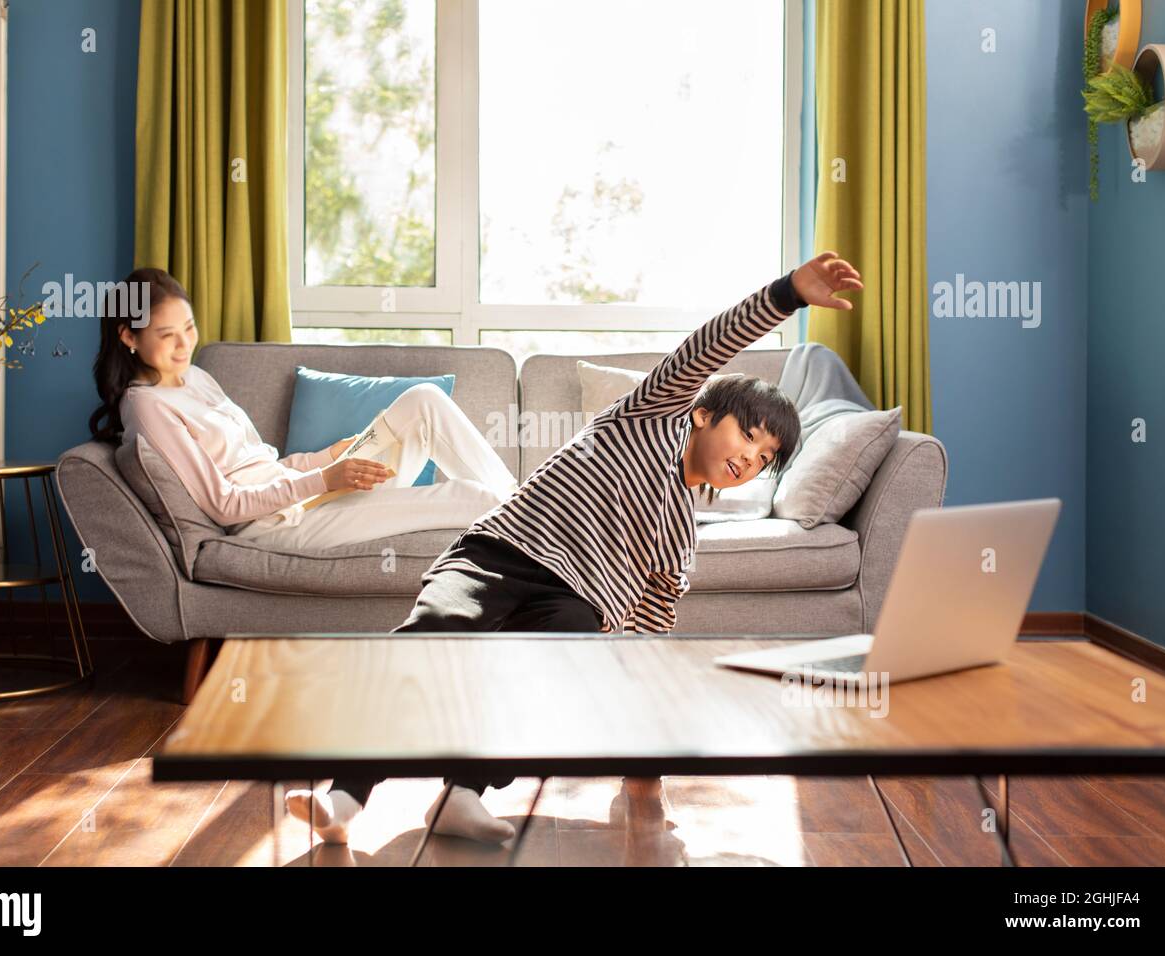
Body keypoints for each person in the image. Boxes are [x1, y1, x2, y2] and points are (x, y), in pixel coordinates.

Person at [288, 251, 864, 846]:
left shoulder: (681, 537)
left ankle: (462, 793)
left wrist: (648, 758)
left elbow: (648, 640)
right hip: (498, 557)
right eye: (747, 434)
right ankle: (345, 797)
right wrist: (788, 293)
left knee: (555, 671)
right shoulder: (651, 418)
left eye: (765, 458)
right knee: (430, 638)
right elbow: (708, 344)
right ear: (702, 415)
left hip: (575, 606)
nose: (750, 458)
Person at [89, 267, 519, 550]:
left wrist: (329, 457)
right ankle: (544, 532)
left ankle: (535, 511)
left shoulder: (195, 376)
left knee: (424, 400)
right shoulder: (149, 408)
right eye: (168, 335)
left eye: (188, 327)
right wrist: (324, 479)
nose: (185, 344)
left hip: (308, 492)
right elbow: (224, 505)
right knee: (476, 496)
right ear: (129, 336)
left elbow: (267, 464)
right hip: (278, 524)